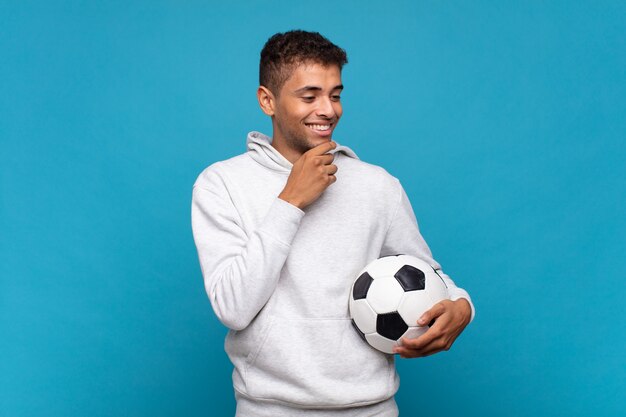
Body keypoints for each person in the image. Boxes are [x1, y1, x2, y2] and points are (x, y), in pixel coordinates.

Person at [191, 30, 475, 417]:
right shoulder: (221, 183)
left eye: (335, 95)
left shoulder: (377, 185)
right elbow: (233, 308)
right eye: (309, 96)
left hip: (372, 408)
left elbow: (426, 274)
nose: (328, 109)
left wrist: (461, 305)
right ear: (267, 100)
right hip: (268, 410)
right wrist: (290, 201)